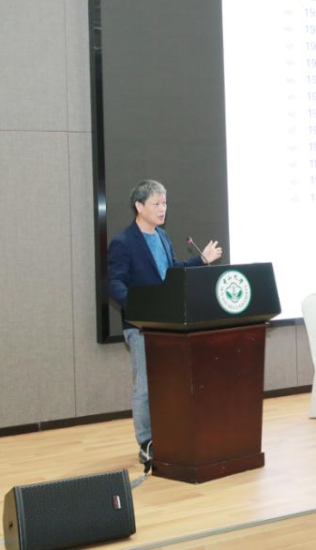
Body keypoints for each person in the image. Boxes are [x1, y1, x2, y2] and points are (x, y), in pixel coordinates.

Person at [108, 179, 223, 467]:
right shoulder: (124, 242)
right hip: (140, 326)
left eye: (165, 203)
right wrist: (139, 307)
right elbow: (114, 283)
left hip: (168, 324)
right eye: (156, 204)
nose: (163, 209)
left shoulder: (162, 237)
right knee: (145, 387)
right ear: (139, 206)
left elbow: (172, 272)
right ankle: (146, 441)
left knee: (169, 383)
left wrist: (201, 261)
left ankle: (168, 435)